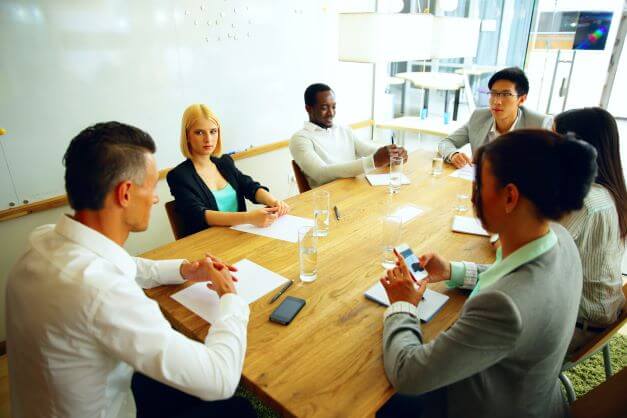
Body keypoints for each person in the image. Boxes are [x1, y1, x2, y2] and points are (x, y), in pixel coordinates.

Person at [6, 122, 255, 418]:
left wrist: (187, 270)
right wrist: (230, 297)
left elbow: (126, 265)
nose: (155, 198)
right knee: (237, 408)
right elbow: (221, 378)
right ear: (125, 193)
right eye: (151, 186)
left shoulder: (44, 239)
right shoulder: (102, 291)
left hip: (48, 401)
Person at [378, 129, 597, 418]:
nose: (473, 195)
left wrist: (402, 304)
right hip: (535, 397)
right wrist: (452, 271)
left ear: (509, 197)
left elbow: (408, 374)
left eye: (478, 183)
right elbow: (516, 276)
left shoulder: (504, 307)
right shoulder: (560, 238)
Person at [554, 107, 626, 353]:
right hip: (604, 311)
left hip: (575, 326)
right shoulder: (611, 191)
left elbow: (527, 264)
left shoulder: (584, 202)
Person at [167, 104, 289, 238]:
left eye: (213, 131)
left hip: (240, 236)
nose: (208, 139)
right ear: (187, 136)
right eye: (199, 132)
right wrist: (249, 217)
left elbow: (250, 186)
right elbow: (200, 215)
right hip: (209, 243)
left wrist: (274, 202)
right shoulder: (178, 176)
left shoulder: (224, 161)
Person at [289, 83, 408, 188]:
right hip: (329, 197)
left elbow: (366, 149)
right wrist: (373, 161)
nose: (331, 113)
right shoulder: (300, 139)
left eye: (334, 107)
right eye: (324, 108)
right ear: (308, 108)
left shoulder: (343, 129)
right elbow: (320, 174)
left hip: (353, 189)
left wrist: (392, 153)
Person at [438, 67, 553, 168]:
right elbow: (446, 143)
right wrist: (453, 155)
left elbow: (549, 168)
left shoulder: (539, 124)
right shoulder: (479, 117)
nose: (497, 101)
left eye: (506, 94)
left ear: (521, 99)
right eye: (493, 93)